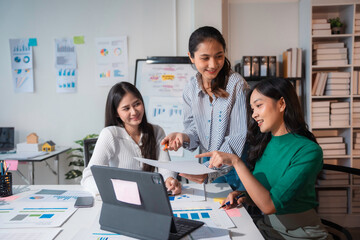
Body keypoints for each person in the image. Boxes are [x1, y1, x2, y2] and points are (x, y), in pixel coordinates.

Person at [198, 78, 331, 239]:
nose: (254, 114)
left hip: (300, 234)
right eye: (252, 108)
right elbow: (264, 196)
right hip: (267, 228)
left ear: (281, 104)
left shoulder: (308, 151)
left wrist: (236, 161)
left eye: (259, 105)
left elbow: (270, 205)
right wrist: (243, 196)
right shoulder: (264, 142)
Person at [161, 26, 248, 189]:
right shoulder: (190, 89)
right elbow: (195, 130)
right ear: (191, 57)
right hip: (210, 168)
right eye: (205, 58)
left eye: (219, 56)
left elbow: (237, 137)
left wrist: (210, 170)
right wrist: (183, 137)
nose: (213, 64)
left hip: (237, 170)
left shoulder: (236, 84)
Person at [81, 82, 181, 197]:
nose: (134, 112)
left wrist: (169, 180)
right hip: (122, 201)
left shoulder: (157, 131)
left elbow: (166, 167)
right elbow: (89, 177)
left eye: (137, 104)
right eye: (126, 108)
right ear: (116, 113)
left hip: (150, 199)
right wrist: (117, 190)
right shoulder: (110, 134)